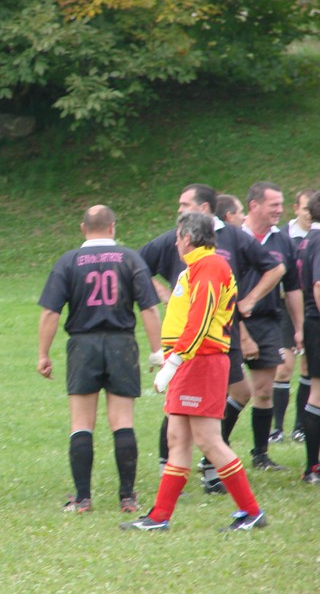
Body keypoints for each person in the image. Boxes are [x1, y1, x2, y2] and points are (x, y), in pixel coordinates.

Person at [121, 212, 267, 531]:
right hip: (189, 361)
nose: (175, 243)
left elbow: (200, 320)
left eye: (177, 237)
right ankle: (159, 517)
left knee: (208, 440)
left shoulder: (210, 266)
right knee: (177, 439)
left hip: (200, 361)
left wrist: (173, 363)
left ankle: (251, 512)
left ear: (188, 238)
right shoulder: (196, 268)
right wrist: (170, 357)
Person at [139, 184, 284, 494]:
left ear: (203, 209)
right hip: (192, 347)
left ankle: (226, 484)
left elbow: (274, 269)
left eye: (184, 204)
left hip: (208, 346)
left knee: (219, 418)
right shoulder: (184, 252)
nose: (179, 210)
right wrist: (161, 292)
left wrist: (247, 302)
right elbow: (139, 267)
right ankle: (167, 495)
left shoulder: (222, 251)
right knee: (180, 422)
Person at [37, 205, 163, 513]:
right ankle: (127, 497)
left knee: (82, 423)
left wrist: (43, 354)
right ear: (112, 227)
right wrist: (157, 351)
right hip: (122, 345)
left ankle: (82, 499)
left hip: (83, 346)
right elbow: (149, 308)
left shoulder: (68, 261)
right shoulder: (130, 258)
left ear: (83, 228)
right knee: (123, 421)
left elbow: (51, 313)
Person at [221, 182, 303, 471]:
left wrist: (298, 327)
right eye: (274, 205)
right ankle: (215, 451)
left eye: (281, 204)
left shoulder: (283, 241)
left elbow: (292, 288)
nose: (280, 210)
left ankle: (260, 455)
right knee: (232, 391)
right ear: (254, 205)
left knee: (264, 390)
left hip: (268, 321)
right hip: (230, 322)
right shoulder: (232, 237)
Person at [271, 189, 316, 444]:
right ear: (296, 208)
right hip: (284, 307)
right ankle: (277, 428)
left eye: (312, 209)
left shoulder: (316, 236)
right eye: (305, 208)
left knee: (309, 366)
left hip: (310, 306)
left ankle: (300, 426)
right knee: (283, 367)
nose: (309, 214)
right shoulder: (283, 236)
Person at [295, 190, 320, 485]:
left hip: (312, 322)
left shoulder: (307, 239)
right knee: (317, 394)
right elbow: (318, 285)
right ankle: (312, 467)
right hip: (317, 321)